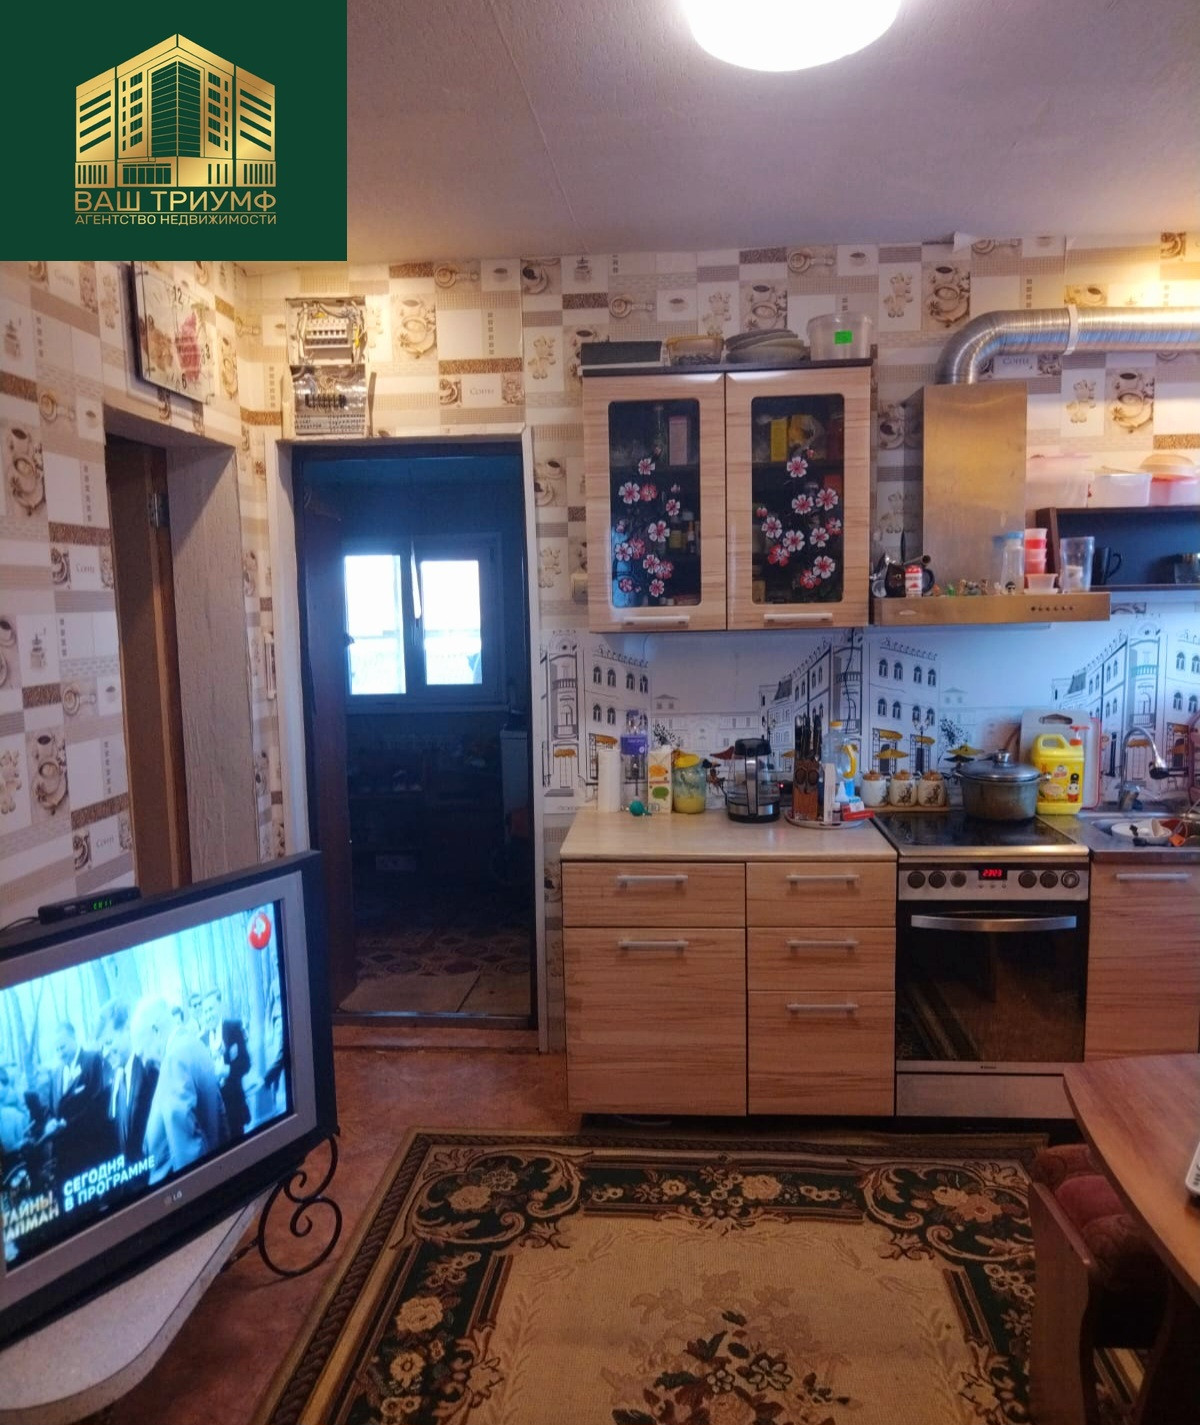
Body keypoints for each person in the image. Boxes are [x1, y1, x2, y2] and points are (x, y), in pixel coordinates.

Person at [131, 996, 227, 1185]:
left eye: (142, 1053)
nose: (144, 1062)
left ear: (155, 1031)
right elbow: (219, 1114)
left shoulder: (174, 1060)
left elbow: (187, 1149)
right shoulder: (194, 1044)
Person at [44, 1020, 110, 1183]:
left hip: (91, 1151)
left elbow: (100, 1102)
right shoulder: (56, 1075)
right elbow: (52, 1109)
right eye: (57, 1050)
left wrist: (67, 1123)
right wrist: (50, 1122)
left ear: (73, 1039)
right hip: (65, 1158)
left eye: (63, 1047)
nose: (60, 1053)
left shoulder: (93, 1060)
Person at [95, 999, 158, 1168]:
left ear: (127, 1030)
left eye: (109, 1042)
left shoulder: (150, 1070)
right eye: (102, 1047)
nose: (105, 1053)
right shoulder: (116, 1081)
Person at [201, 988, 250, 1140]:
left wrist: (227, 1070)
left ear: (219, 1007)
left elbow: (246, 1063)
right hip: (214, 1112)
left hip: (234, 1105)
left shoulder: (233, 1027)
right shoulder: (201, 1040)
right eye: (205, 1012)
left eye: (211, 1009)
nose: (208, 1015)